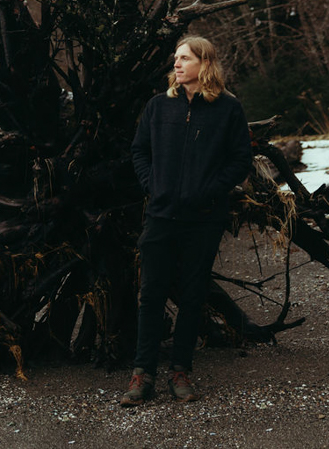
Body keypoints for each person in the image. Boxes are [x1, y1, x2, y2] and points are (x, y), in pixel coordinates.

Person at [121, 36, 252, 406]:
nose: (176, 65)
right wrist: (153, 186)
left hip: (204, 219)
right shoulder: (159, 106)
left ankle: (181, 372)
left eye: (184, 58)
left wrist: (210, 191)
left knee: (193, 295)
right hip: (161, 215)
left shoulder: (227, 109)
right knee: (151, 295)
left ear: (204, 63)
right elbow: (139, 151)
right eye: (175, 59)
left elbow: (240, 159)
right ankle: (142, 374)